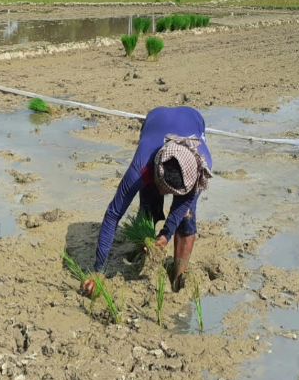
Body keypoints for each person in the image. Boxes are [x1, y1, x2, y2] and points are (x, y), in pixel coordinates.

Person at [82, 106, 213, 295]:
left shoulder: (201, 168)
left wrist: (167, 234)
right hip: (155, 119)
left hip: (193, 117)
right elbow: (113, 214)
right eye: (162, 187)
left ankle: (178, 279)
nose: (164, 193)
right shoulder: (140, 167)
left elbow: (182, 204)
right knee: (148, 204)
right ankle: (142, 249)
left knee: (186, 216)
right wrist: (98, 270)